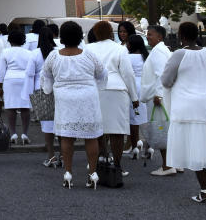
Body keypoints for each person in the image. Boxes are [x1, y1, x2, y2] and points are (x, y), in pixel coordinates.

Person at [162, 21, 206, 205]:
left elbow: (166, 81)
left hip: (190, 107)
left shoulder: (179, 54)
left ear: (181, 36)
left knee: (196, 149)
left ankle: (205, 190)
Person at [41, 21, 106, 190]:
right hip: (87, 96)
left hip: (64, 98)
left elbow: (45, 76)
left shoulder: (54, 56)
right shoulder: (89, 54)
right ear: (80, 36)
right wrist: (95, 87)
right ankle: (93, 173)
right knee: (91, 136)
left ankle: (68, 173)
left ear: (62, 37)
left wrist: (49, 90)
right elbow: (102, 73)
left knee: (67, 136)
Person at [86, 20, 138, 171]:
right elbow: (128, 74)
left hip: (95, 90)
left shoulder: (88, 48)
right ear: (111, 33)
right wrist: (134, 97)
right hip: (117, 89)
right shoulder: (120, 49)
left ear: (95, 33)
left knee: (98, 129)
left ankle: (100, 160)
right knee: (117, 131)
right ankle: (117, 165)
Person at [141, 24, 176, 175]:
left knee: (161, 129)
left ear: (159, 37)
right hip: (162, 95)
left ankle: (167, 166)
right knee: (168, 129)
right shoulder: (162, 50)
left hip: (157, 97)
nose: (147, 37)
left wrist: (158, 95)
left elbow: (161, 74)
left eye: (150, 35)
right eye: (147, 34)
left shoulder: (158, 52)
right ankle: (175, 164)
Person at [25, 26, 60, 167]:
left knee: (47, 125)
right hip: (57, 90)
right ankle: (63, 155)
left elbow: (29, 74)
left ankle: (51, 156)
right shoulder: (58, 52)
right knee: (61, 123)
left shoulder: (34, 54)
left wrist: (29, 95)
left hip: (41, 91)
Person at [0, 28, 33, 145]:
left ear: (10, 40)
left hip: (10, 79)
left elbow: (1, 71)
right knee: (25, 107)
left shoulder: (5, 52)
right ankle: (25, 133)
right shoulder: (29, 53)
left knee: (10, 107)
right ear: (23, 40)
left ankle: (13, 133)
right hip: (24, 79)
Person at [125, 34, 149, 156]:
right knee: (146, 116)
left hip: (133, 87)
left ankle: (135, 146)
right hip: (145, 86)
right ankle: (149, 147)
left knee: (134, 119)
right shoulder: (146, 56)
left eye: (128, 43)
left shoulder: (128, 57)